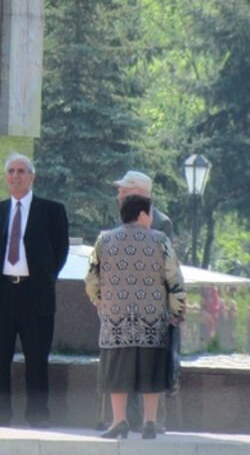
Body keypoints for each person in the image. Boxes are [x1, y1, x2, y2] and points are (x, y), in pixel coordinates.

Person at [0, 153, 69, 428]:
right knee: (0, 355)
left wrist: (44, 278)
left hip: (35, 294)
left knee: (37, 356)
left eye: (21, 171)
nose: (16, 176)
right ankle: (0, 413)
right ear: (6, 178)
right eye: (11, 172)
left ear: (32, 177)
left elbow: (60, 251)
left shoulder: (52, 210)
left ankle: (38, 415)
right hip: (4, 293)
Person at [85, 195, 186, 440]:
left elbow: (91, 277)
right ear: (142, 214)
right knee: (150, 370)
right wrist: (176, 312)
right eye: (150, 214)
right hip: (152, 319)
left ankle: (119, 420)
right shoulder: (160, 240)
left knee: (116, 371)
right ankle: (149, 422)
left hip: (115, 319)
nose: (151, 219)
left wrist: (101, 301)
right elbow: (174, 278)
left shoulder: (104, 239)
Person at [105, 170, 176, 433]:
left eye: (124, 190)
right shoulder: (118, 219)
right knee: (123, 364)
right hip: (120, 306)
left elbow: (166, 266)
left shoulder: (161, 223)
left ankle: (154, 422)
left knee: (151, 365)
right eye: (120, 190)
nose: (119, 195)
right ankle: (124, 419)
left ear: (140, 193)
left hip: (151, 307)